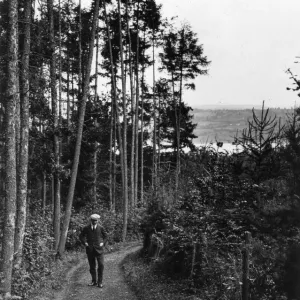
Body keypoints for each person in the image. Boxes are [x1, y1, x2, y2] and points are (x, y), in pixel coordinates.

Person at [79, 213, 108, 288]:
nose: (95, 222)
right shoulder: (86, 228)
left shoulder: (101, 228)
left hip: (99, 250)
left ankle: (100, 282)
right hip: (90, 250)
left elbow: (106, 236)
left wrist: (103, 243)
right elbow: (81, 236)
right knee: (92, 266)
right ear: (91, 220)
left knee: (101, 265)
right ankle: (94, 281)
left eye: (96, 220)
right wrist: (85, 243)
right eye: (93, 220)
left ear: (98, 220)